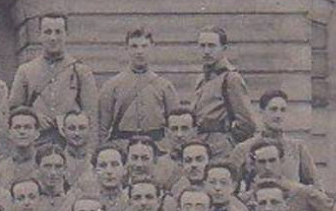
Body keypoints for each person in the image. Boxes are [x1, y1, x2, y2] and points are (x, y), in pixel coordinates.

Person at [9, 14, 98, 149]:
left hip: (70, 145)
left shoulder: (81, 71)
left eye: (58, 32)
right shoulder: (26, 70)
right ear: (40, 36)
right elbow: (14, 109)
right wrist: (34, 116)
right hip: (36, 145)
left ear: (66, 35)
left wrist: (90, 153)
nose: (53, 38)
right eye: (47, 32)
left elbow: (91, 116)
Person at [97, 27, 180, 145]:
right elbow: (102, 127)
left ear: (152, 48)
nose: (139, 51)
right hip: (123, 146)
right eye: (134, 46)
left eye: (144, 46)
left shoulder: (164, 86)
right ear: (127, 49)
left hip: (156, 147)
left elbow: (176, 123)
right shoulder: (112, 86)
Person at [231, 89, 321, 189]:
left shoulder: (297, 148)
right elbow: (231, 187)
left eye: (282, 110)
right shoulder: (243, 149)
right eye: (273, 109)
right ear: (261, 112)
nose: (278, 115)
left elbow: (316, 187)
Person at [191, 26, 257, 158]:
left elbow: (247, 123)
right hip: (199, 147)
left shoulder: (231, 78)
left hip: (220, 149)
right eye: (202, 46)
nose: (206, 51)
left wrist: (228, 141)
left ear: (224, 48)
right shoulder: (201, 79)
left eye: (211, 46)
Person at [242, 140, 332, 211]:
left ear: (282, 161)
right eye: (261, 162)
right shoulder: (245, 200)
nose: (268, 167)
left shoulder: (303, 193)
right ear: (253, 165)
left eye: (272, 161)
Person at [0, 108, 43, 189]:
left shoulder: (43, 165)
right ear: (9, 133)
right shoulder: (0, 167)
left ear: (37, 133)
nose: (22, 132)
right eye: (17, 127)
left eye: (27, 127)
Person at [59, 109, 97, 190]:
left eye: (82, 128)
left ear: (90, 130)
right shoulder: (57, 161)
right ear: (63, 131)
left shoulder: (96, 161)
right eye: (71, 128)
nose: (77, 133)